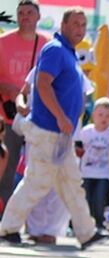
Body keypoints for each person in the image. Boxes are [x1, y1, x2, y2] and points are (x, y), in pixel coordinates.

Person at [0, 8, 106, 249]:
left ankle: (86, 232)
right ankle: (7, 229)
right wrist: (59, 116)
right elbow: (42, 84)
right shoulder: (56, 50)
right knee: (36, 182)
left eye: (83, 24)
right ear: (64, 25)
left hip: (60, 134)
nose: (80, 29)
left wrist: (64, 121)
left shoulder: (67, 53)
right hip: (48, 131)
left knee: (71, 183)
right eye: (75, 24)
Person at [0, 0, 49, 210]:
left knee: (38, 170)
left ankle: (33, 223)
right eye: (21, 13)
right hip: (6, 115)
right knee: (6, 168)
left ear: (38, 17)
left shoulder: (48, 46)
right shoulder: (3, 42)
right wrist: (7, 88)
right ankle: (5, 217)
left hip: (38, 118)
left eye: (30, 12)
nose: (25, 16)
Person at [78, 97, 109, 229]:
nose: (104, 118)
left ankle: (99, 223)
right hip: (87, 172)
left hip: (103, 173)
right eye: (100, 115)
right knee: (86, 198)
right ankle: (84, 224)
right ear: (94, 115)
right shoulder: (87, 131)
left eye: (108, 116)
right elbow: (78, 148)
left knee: (100, 198)